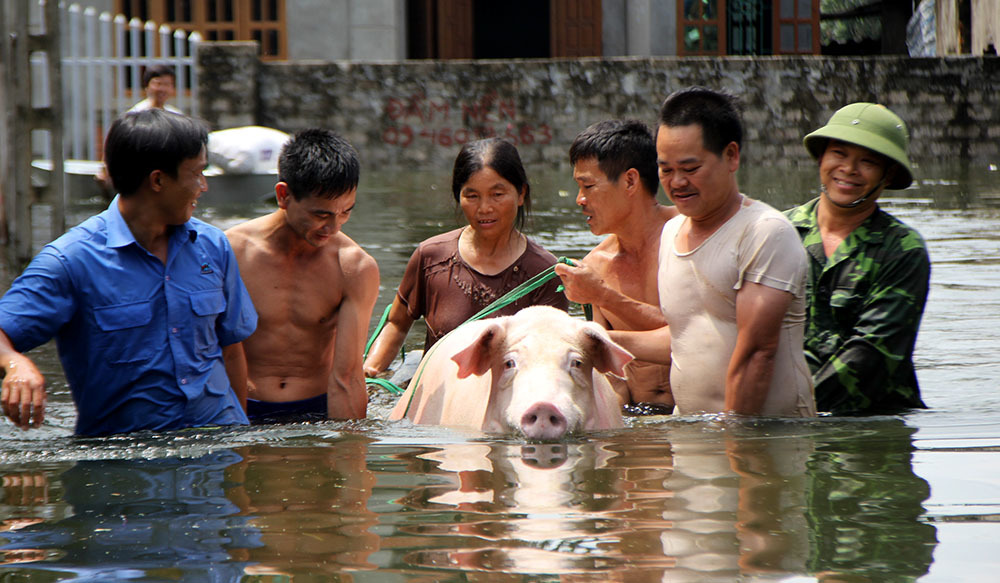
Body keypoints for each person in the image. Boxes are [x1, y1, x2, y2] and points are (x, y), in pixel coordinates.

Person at [0, 109, 257, 436]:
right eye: (197, 173)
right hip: (125, 458)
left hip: (217, 446)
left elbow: (231, 349)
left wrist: (239, 447)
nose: (203, 186)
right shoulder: (71, 261)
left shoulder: (213, 246)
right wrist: (15, 363)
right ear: (158, 180)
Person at [609, 87, 815, 417]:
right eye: (666, 170)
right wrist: (601, 341)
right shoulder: (671, 232)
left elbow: (757, 353)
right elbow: (687, 336)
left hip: (766, 436)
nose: (677, 182)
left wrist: (735, 441)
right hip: (693, 434)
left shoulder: (764, 232)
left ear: (731, 156)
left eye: (690, 169)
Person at [363, 138, 568, 377]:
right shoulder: (431, 257)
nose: (484, 208)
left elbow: (551, 360)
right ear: (458, 197)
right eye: (472, 196)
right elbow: (397, 324)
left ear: (521, 194)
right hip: (438, 390)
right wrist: (370, 372)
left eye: (497, 194)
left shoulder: (545, 273)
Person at [225, 129, 379, 423]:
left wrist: (351, 447)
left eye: (345, 212)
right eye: (321, 214)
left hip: (318, 409)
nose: (334, 227)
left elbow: (347, 376)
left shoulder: (354, 267)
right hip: (244, 409)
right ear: (283, 195)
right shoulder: (232, 252)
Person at [785, 103, 930, 415]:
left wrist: (794, 412)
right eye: (839, 154)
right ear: (821, 157)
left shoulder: (902, 249)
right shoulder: (776, 232)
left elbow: (871, 354)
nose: (849, 169)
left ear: (888, 175)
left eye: (868, 161)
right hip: (783, 411)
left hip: (870, 425)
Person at [554, 119, 678, 410]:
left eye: (588, 186)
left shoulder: (687, 236)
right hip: (637, 415)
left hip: (699, 413)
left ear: (630, 181)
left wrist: (603, 295)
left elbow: (694, 336)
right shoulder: (594, 266)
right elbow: (612, 379)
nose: (579, 199)